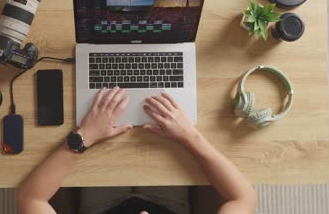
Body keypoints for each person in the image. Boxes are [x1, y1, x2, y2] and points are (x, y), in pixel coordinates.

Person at [17, 87, 257, 214]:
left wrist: (85, 136)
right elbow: (243, 198)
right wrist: (190, 136)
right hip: (168, 208)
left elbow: (30, 198)